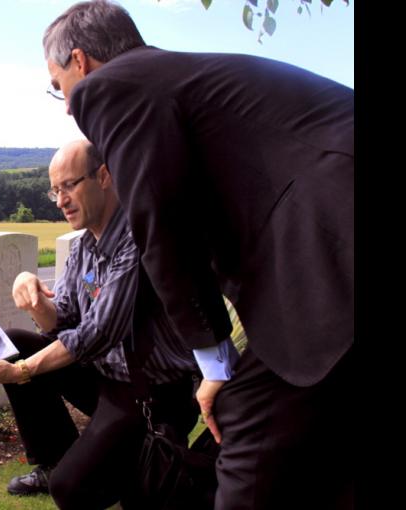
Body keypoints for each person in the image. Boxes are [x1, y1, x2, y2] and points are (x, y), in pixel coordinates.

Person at [41, 2, 354, 509]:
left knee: (248, 423)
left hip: (331, 256)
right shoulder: (183, 79)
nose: (66, 105)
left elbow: (162, 224)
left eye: (58, 86)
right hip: (331, 249)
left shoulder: (112, 86)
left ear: (80, 60)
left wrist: (213, 359)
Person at [0, 139, 215, 509]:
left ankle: (111, 469)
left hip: (151, 392)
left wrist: (23, 371)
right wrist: (33, 295)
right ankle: (58, 460)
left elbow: (99, 333)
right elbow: (62, 318)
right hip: (105, 378)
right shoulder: (83, 247)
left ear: (103, 177)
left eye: (70, 185)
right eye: (55, 190)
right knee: (15, 340)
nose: (61, 199)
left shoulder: (138, 240)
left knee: (70, 490)